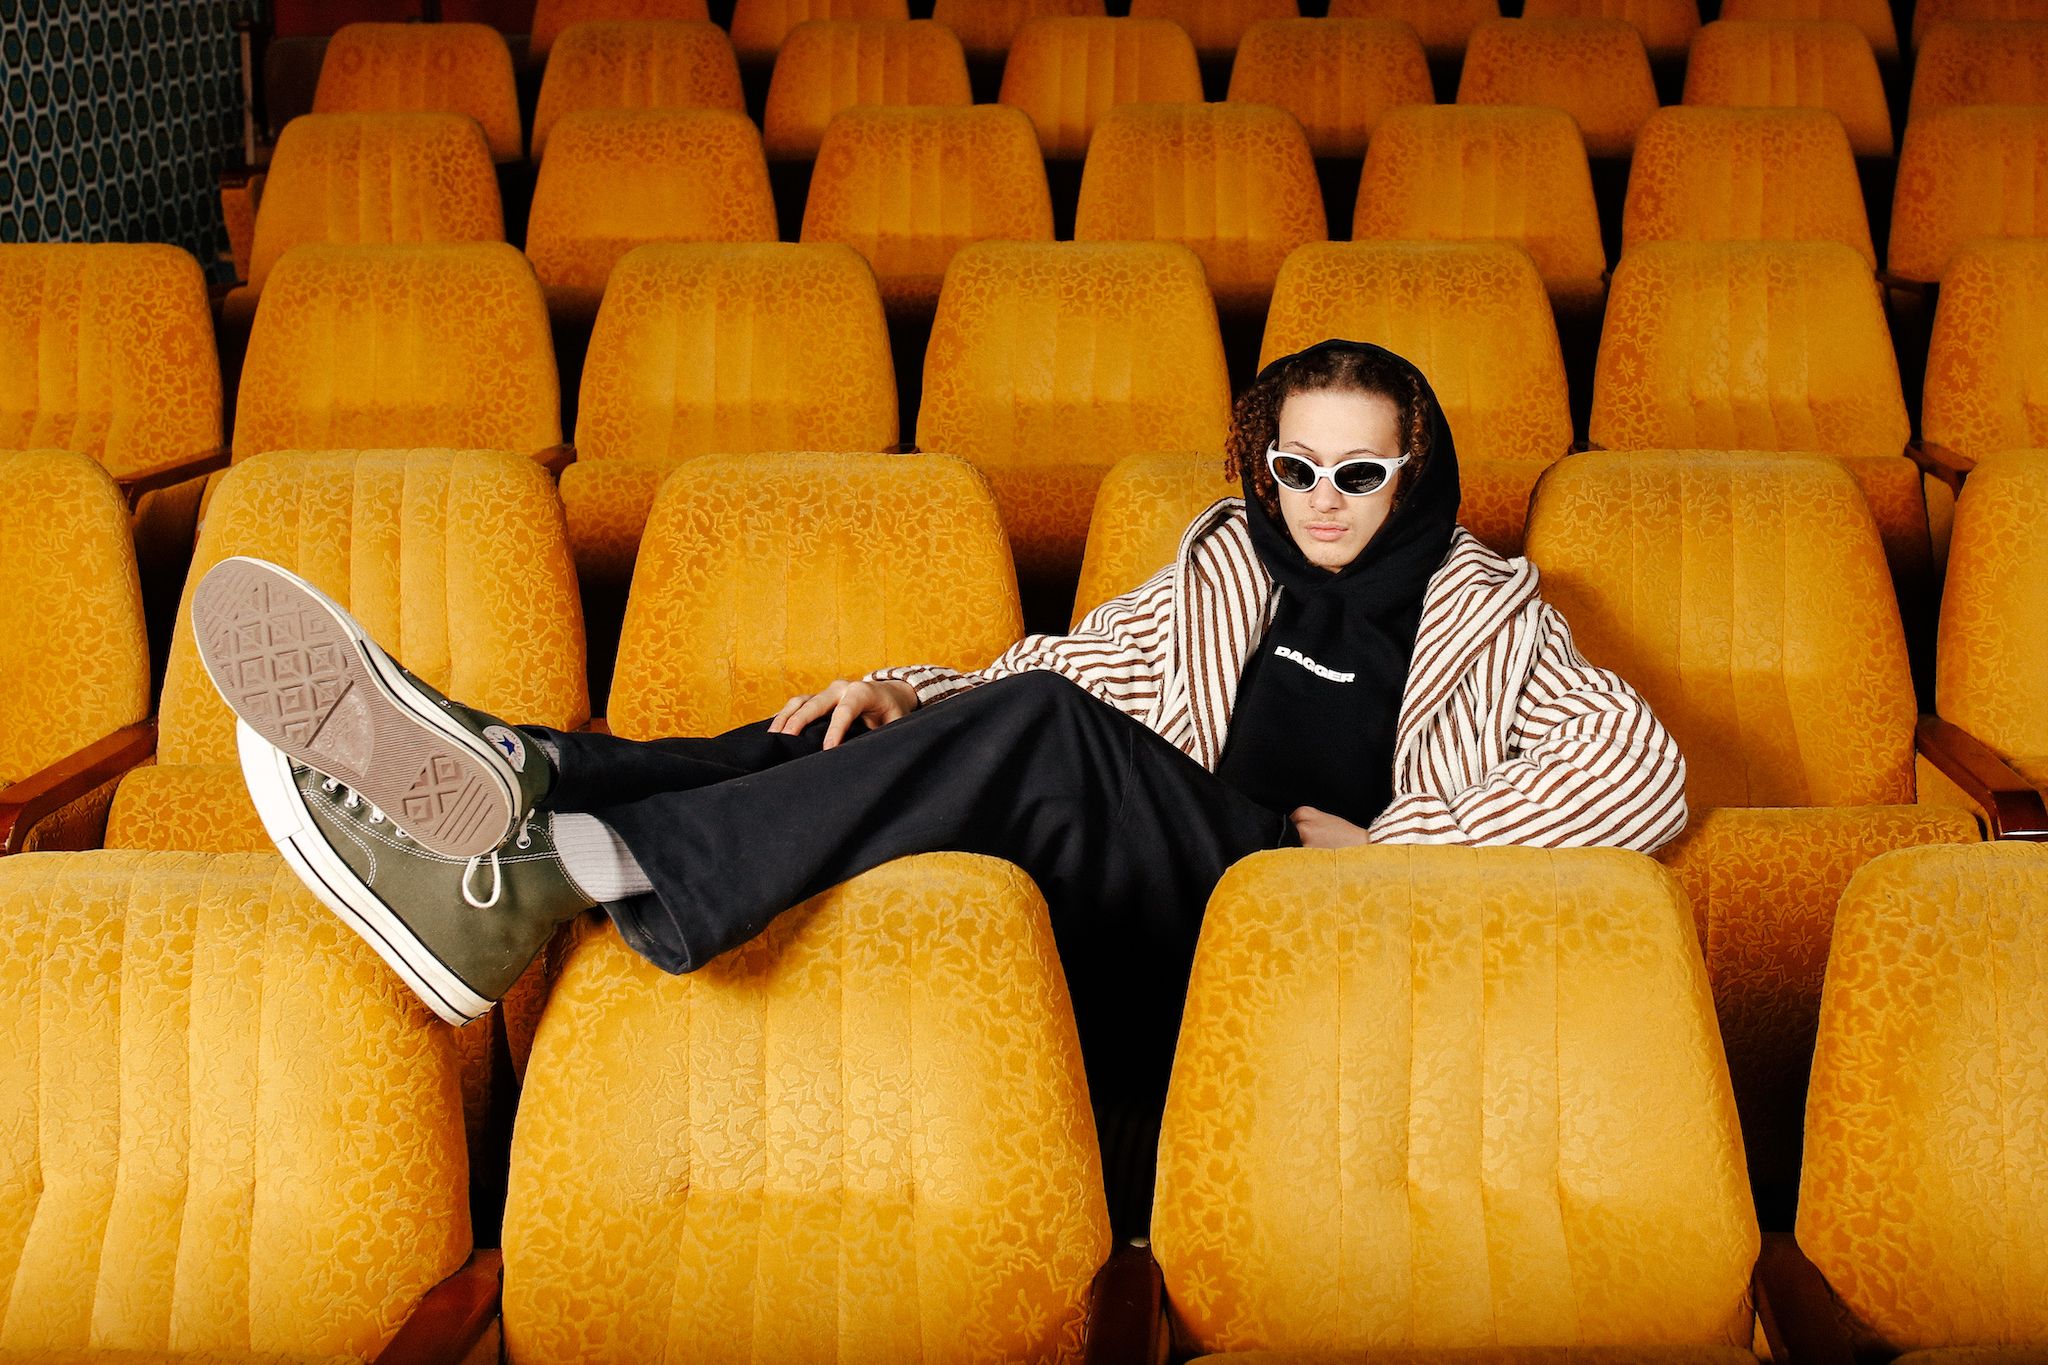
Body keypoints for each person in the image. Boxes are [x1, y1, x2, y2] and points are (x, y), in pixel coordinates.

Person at [194, 339, 1686, 1225]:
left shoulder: (1489, 609)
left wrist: (1394, 849)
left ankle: (568, 861)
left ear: (1415, 473)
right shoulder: (1224, 570)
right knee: (877, 728)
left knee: (1032, 726)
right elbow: (1070, 667)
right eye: (1296, 468)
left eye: (1359, 473)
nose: (1322, 502)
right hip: (1160, 906)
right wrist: (906, 690)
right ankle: (536, 777)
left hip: (1314, 923)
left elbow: (1636, 767)